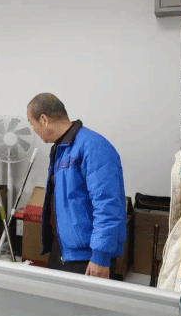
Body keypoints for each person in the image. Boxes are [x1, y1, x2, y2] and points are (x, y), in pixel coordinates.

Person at [27, 93, 127, 278]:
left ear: (44, 120)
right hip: (63, 250)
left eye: (32, 124)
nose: (34, 130)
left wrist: (100, 257)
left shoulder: (94, 147)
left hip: (87, 259)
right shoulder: (61, 149)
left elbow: (108, 205)